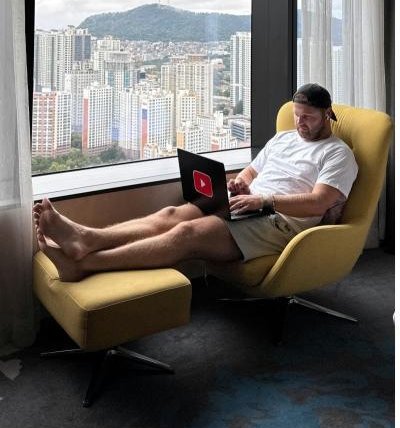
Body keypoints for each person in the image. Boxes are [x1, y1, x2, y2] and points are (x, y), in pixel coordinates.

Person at [33, 83, 358, 282]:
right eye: (297, 115)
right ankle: (88, 237)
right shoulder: (284, 138)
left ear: (327, 115)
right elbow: (250, 172)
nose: (300, 122)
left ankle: (86, 265)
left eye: (308, 117)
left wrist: (263, 201)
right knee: (171, 216)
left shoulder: (338, 154)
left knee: (186, 233)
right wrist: (238, 185)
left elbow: (319, 202)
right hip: (250, 205)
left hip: (281, 222)